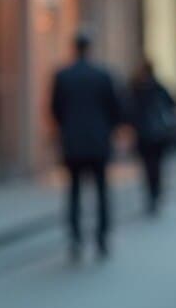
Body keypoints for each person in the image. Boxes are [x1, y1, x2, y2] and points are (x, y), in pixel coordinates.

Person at [50, 32, 124, 261]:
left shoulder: (63, 76)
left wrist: (67, 129)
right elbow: (115, 108)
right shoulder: (102, 75)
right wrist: (107, 130)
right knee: (101, 191)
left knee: (74, 191)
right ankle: (101, 237)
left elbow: (55, 109)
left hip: (73, 142)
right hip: (97, 141)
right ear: (90, 48)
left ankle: (75, 237)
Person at [126, 60, 176, 215]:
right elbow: (172, 105)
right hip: (158, 134)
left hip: (144, 134)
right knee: (156, 166)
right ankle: (155, 193)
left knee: (148, 167)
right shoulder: (158, 87)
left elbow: (129, 110)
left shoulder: (137, 88)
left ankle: (152, 194)